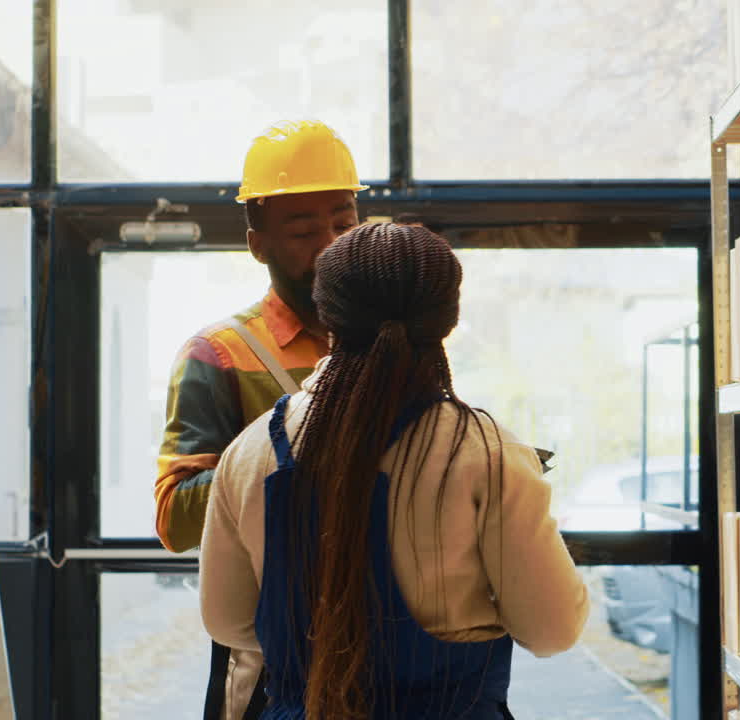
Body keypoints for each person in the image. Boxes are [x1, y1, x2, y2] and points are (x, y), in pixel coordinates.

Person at [199, 223, 589, 719]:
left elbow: (229, 621)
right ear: (446, 320)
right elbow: (553, 629)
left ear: (328, 315)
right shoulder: (486, 452)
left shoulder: (251, 452)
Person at [153, 119, 366, 719]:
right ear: (258, 244)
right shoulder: (218, 356)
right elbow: (174, 520)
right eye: (302, 230)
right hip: (267, 657)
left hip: (385, 643)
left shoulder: (392, 344)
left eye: (344, 223)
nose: (330, 244)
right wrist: (289, 455)